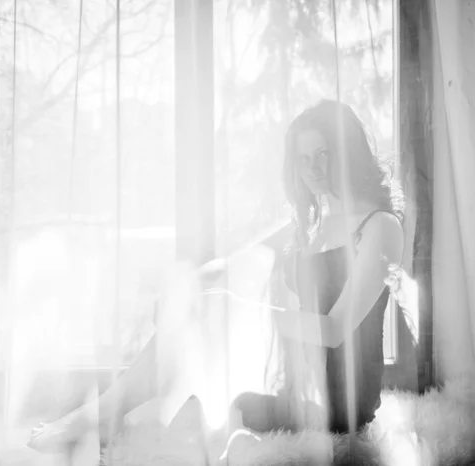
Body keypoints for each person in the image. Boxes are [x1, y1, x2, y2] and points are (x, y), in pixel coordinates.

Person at [27, 99, 404, 452]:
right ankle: (107, 412)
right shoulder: (312, 223)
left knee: (215, 350)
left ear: (348, 152)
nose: (314, 169)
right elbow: (234, 263)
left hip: (339, 402)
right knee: (200, 317)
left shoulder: (380, 226)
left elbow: (336, 330)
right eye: (304, 158)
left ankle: (103, 414)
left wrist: (237, 309)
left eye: (324, 153)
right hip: (298, 377)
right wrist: (188, 290)